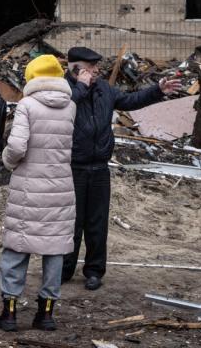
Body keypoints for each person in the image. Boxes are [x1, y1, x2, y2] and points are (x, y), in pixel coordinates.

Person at [61, 46, 182, 290]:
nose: (97, 71)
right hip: (72, 167)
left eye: (96, 67)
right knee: (70, 223)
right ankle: (63, 270)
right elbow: (65, 108)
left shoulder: (104, 89)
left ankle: (94, 271)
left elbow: (128, 100)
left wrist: (157, 90)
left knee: (97, 222)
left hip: (99, 168)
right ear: (76, 69)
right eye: (91, 68)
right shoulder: (63, 89)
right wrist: (81, 88)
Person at [0, 54, 76, 333]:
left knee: (17, 247)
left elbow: (17, 147)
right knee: (53, 250)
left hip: (29, 188)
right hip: (61, 188)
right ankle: (46, 314)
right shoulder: (71, 106)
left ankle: (9, 313)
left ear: (32, 77)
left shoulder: (27, 105)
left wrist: (7, 161)